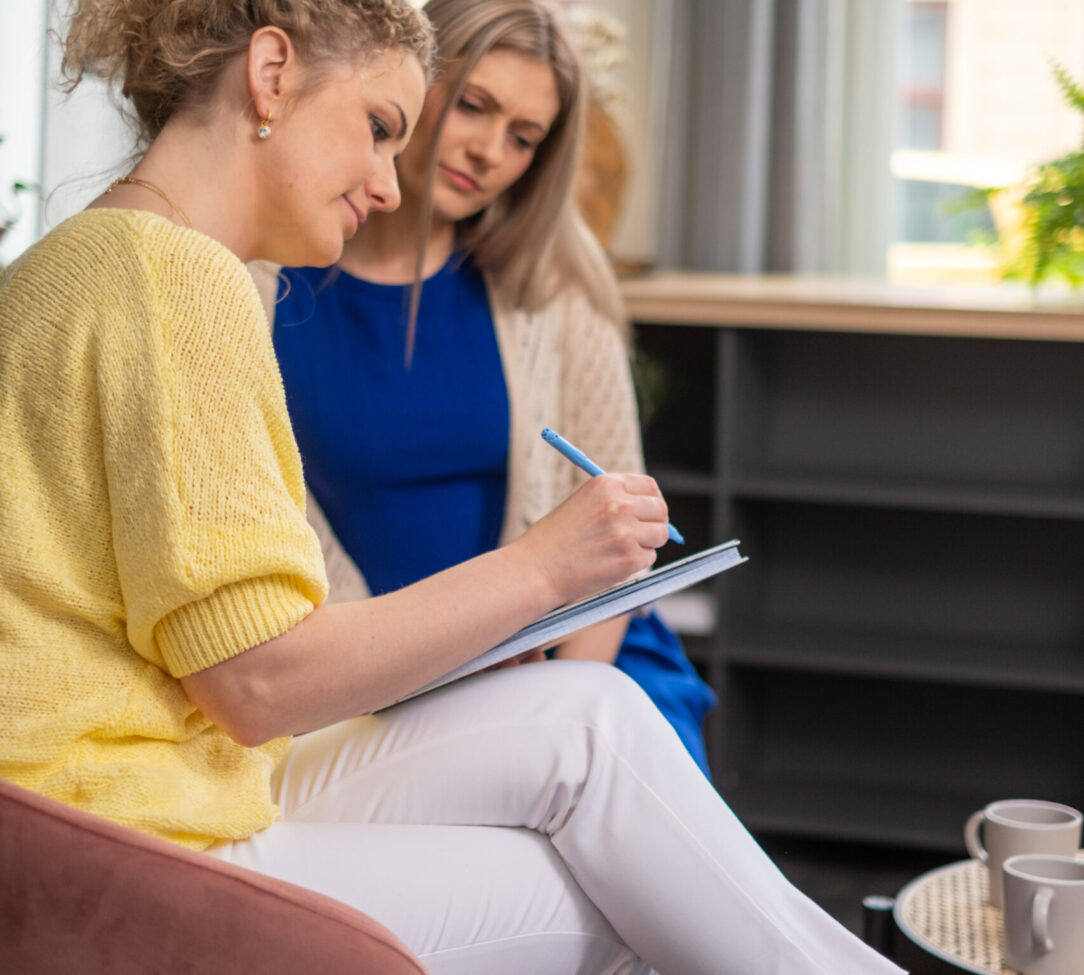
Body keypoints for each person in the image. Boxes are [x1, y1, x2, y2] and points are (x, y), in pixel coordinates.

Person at [0, 2, 906, 973]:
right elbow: (259, 680)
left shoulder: (74, 261)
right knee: (610, 889)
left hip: (155, 772)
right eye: (381, 128)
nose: (393, 185)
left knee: (594, 722)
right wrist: (538, 569)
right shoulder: (183, 284)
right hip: (134, 826)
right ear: (269, 77)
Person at [266, 0, 718, 777]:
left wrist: (562, 691)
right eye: (475, 104)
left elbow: (617, 551)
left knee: (629, 791)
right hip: (372, 676)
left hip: (572, 653)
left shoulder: (554, 290)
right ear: (411, 81)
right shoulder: (264, 285)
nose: (488, 152)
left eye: (523, 138)